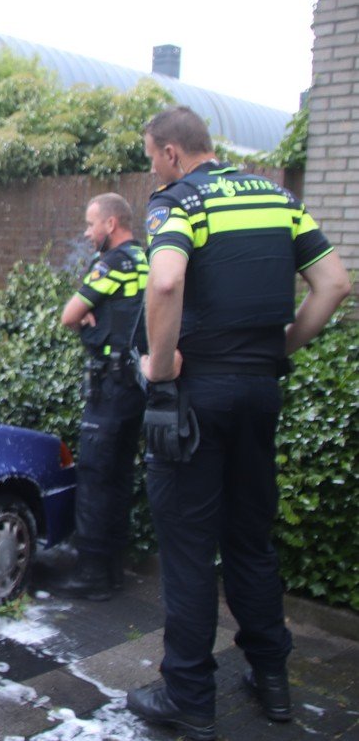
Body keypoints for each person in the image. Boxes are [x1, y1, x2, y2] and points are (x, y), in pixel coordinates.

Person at [126, 106, 350, 741]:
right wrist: (278, 350)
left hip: (196, 399)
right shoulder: (277, 197)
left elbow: (165, 282)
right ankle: (271, 680)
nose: (152, 168)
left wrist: (162, 365)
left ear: (171, 153)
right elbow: (333, 283)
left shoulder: (180, 199)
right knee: (251, 539)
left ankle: (189, 697)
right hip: (258, 392)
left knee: (191, 549)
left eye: (150, 156)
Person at [51, 193, 148, 601]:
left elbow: (69, 315)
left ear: (111, 224)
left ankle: (91, 574)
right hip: (136, 387)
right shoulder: (145, 259)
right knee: (120, 475)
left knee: (93, 476)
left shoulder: (111, 264)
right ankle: (111, 570)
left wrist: (89, 315)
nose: (88, 233)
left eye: (91, 224)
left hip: (109, 388)